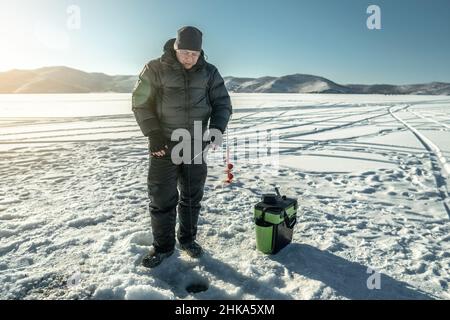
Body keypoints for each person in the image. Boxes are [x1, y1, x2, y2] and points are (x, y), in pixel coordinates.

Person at [132, 26, 232, 268]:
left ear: (200, 53)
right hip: (163, 146)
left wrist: (217, 128)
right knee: (162, 198)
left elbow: (222, 103)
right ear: (175, 48)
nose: (189, 58)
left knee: (191, 196)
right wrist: (153, 134)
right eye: (185, 52)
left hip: (196, 145)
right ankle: (163, 247)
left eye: (194, 54)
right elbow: (140, 102)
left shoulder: (209, 72)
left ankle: (187, 240)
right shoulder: (155, 68)